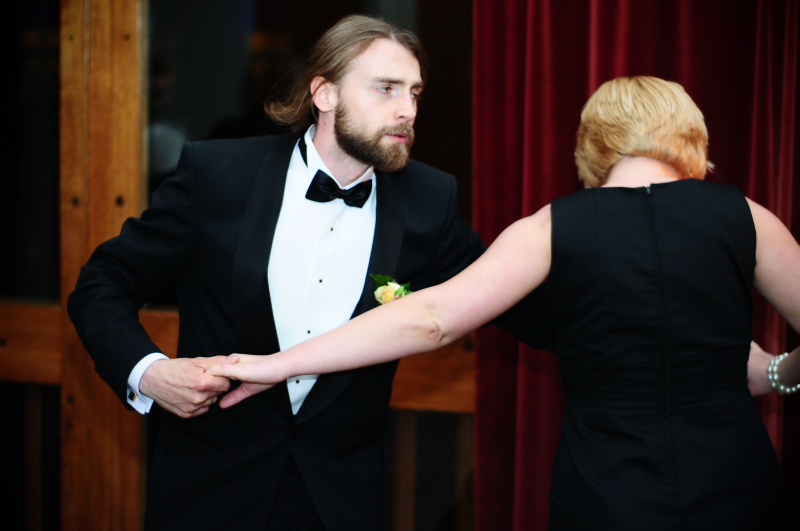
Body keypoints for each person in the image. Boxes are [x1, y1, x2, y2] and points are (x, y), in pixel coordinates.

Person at [209, 76, 800, 529]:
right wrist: (777, 371)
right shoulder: (747, 217)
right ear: (690, 136)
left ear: (594, 143)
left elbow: (432, 318)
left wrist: (278, 364)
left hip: (609, 495)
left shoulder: (551, 227)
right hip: (738, 486)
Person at [67, 15, 486, 531]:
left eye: (415, 93)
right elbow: (104, 282)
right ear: (325, 93)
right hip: (209, 496)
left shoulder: (430, 201)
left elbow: (502, 290)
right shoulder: (217, 175)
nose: (408, 110)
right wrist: (148, 373)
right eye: (386, 89)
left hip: (338, 504)